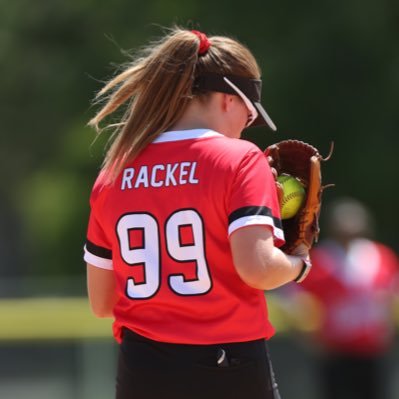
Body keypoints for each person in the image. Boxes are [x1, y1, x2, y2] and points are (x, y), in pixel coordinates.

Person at [83, 27, 311, 399]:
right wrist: (298, 263)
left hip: (141, 368)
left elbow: (101, 303)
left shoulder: (113, 172)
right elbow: (257, 269)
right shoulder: (239, 159)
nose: (245, 127)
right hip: (227, 365)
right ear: (228, 99)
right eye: (249, 115)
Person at [297, 198, 399, 399]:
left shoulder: (381, 257)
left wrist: (389, 330)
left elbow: (391, 297)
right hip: (335, 351)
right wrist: (310, 337)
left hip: (372, 349)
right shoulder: (322, 260)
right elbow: (299, 302)